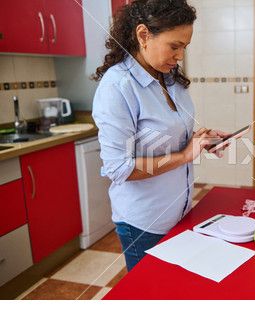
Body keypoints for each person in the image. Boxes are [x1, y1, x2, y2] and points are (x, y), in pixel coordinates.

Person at [91, 0, 230, 271]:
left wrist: (200, 139)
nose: (180, 57)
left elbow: (168, 134)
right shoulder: (117, 87)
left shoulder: (169, 77)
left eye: (184, 48)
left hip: (180, 210)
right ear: (143, 35)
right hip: (145, 222)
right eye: (174, 46)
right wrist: (184, 155)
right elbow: (119, 168)